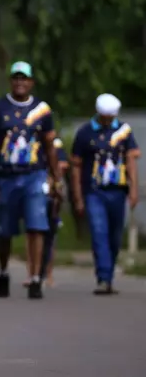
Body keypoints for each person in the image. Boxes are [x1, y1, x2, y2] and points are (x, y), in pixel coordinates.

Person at [0, 61, 62, 300]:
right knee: (5, 231)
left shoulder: (42, 110)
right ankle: (4, 271)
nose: (20, 82)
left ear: (31, 82)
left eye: (24, 78)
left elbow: (50, 146)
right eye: (16, 78)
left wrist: (57, 178)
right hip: (6, 177)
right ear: (11, 81)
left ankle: (36, 278)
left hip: (34, 175)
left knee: (36, 226)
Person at [70, 93, 140, 295]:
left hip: (117, 190)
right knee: (99, 232)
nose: (109, 120)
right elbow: (76, 166)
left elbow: (131, 161)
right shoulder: (85, 133)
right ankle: (103, 278)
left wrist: (133, 189)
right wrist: (77, 196)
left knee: (115, 236)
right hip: (94, 191)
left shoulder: (123, 131)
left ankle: (108, 271)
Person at [23, 136, 69, 288]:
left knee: (51, 233)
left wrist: (52, 174)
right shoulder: (31, 140)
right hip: (35, 191)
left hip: (52, 194)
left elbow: (63, 164)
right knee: (32, 232)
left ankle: (48, 273)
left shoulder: (55, 143)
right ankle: (32, 273)